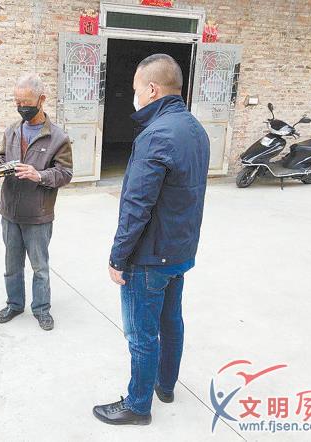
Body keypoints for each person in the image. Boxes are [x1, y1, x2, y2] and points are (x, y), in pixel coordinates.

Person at [93, 54, 210, 425]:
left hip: (149, 256)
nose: (136, 97)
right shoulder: (195, 129)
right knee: (171, 321)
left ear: (153, 89)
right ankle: (165, 385)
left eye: (137, 90)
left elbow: (136, 205)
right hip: (179, 250)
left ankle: (138, 405)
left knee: (142, 334)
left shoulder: (156, 135)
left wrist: (118, 257)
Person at [0, 73, 73, 331]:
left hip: (38, 214)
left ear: (41, 99)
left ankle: (41, 309)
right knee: (11, 265)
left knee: (40, 267)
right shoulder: (12, 130)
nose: (21, 107)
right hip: (10, 212)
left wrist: (39, 175)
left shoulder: (58, 137)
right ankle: (14, 304)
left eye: (26, 102)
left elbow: (65, 173)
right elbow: (2, 156)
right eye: (17, 102)